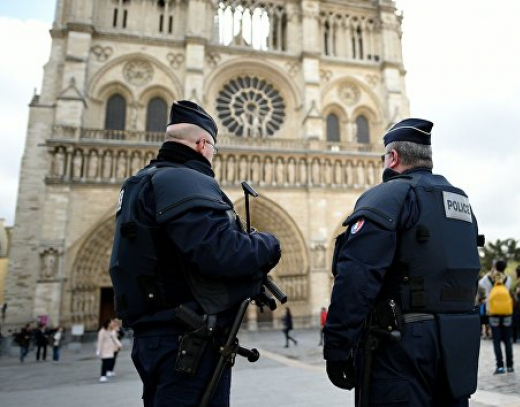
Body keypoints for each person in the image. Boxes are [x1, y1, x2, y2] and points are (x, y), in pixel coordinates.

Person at [108, 100, 282, 406]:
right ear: (202, 144)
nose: (213, 156)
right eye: (213, 148)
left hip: (154, 336)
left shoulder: (140, 182)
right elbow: (219, 253)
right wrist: (268, 244)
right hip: (187, 340)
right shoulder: (184, 179)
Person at [323, 119, 482, 406]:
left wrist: (337, 348)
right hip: (458, 341)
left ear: (393, 157)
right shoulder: (461, 203)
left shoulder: (386, 197)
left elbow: (356, 278)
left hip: (402, 346)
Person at [480, 260, 514, 374]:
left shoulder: (489, 279)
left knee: (496, 341)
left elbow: (480, 283)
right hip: (506, 313)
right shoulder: (508, 279)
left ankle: (500, 366)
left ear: (495, 267)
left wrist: (490, 272)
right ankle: (510, 366)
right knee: (507, 341)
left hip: (493, 313)